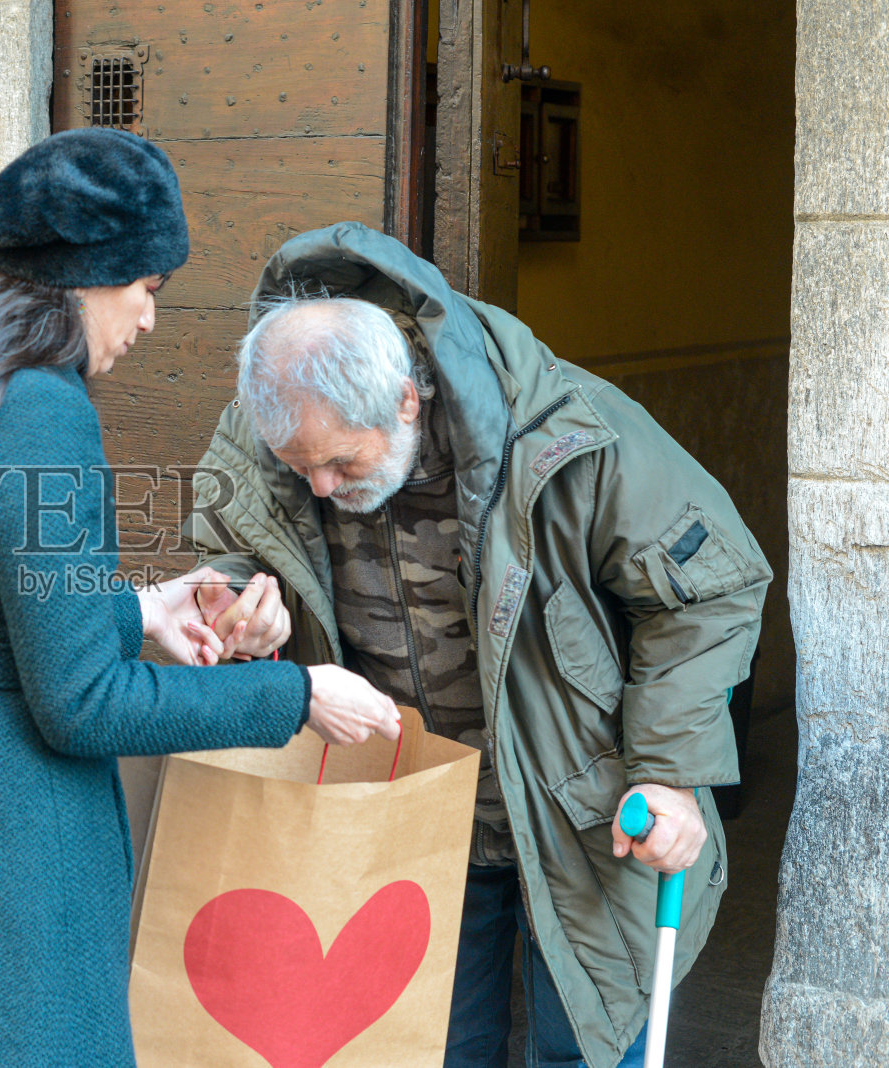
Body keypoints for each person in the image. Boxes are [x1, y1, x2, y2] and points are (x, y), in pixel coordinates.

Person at [0, 129, 401, 1067]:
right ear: (89, 275)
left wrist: (142, 610)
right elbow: (84, 703)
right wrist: (296, 694)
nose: (149, 319)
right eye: (146, 288)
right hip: (7, 835)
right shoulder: (40, 408)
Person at [182, 221, 771, 1068]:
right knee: (431, 1050)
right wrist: (236, 598)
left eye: (342, 465)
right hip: (409, 806)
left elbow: (710, 589)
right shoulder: (273, 428)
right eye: (298, 464)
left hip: (583, 806)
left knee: (581, 1047)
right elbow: (235, 544)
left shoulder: (569, 431)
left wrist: (670, 771)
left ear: (406, 401)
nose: (319, 487)